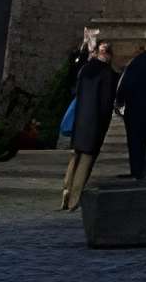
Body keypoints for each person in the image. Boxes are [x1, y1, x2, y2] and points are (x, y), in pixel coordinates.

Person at [58, 40, 118, 209]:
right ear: (109, 54)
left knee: (75, 156)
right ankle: (74, 199)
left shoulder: (86, 70)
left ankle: (66, 189)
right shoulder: (108, 74)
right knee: (86, 160)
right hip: (95, 122)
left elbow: (76, 91)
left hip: (81, 120)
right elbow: (106, 103)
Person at [117, 41, 146, 182]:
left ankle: (136, 171)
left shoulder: (135, 65)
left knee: (134, 141)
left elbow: (125, 85)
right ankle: (138, 170)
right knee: (142, 141)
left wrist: (119, 102)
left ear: (138, 50)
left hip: (135, 110)